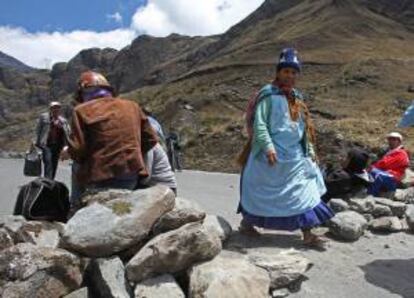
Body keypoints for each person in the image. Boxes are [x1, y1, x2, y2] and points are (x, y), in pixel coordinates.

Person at [237, 48, 334, 246]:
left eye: (293, 72)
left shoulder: (297, 98)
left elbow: (304, 127)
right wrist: (268, 148)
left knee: (304, 191)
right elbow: (260, 124)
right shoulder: (267, 95)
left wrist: (311, 151)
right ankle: (247, 224)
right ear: (278, 72)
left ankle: (308, 233)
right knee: (259, 190)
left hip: (296, 155)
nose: (290, 76)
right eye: (286, 71)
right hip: (270, 154)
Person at [64, 71, 157, 193]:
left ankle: (75, 204)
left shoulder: (81, 110)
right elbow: (151, 139)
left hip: (99, 176)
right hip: (131, 174)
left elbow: (78, 150)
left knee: (76, 166)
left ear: (83, 92)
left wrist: (70, 152)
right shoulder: (133, 106)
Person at [35, 101, 70, 179]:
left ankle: (51, 180)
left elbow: (67, 133)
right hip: (46, 144)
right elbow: (38, 130)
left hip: (57, 145)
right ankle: (47, 179)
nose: (56, 109)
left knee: (54, 163)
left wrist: (67, 146)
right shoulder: (44, 117)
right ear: (50, 109)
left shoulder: (63, 121)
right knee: (48, 161)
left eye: (57, 108)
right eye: (54, 108)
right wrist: (36, 142)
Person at [367, 132, 410, 196]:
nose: (391, 141)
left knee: (376, 173)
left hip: (394, 178)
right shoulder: (391, 152)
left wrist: (371, 167)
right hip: (388, 175)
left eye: (394, 139)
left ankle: (371, 195)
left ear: (399, 142)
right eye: (390, 139)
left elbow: (385, 164)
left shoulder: (401, 153)